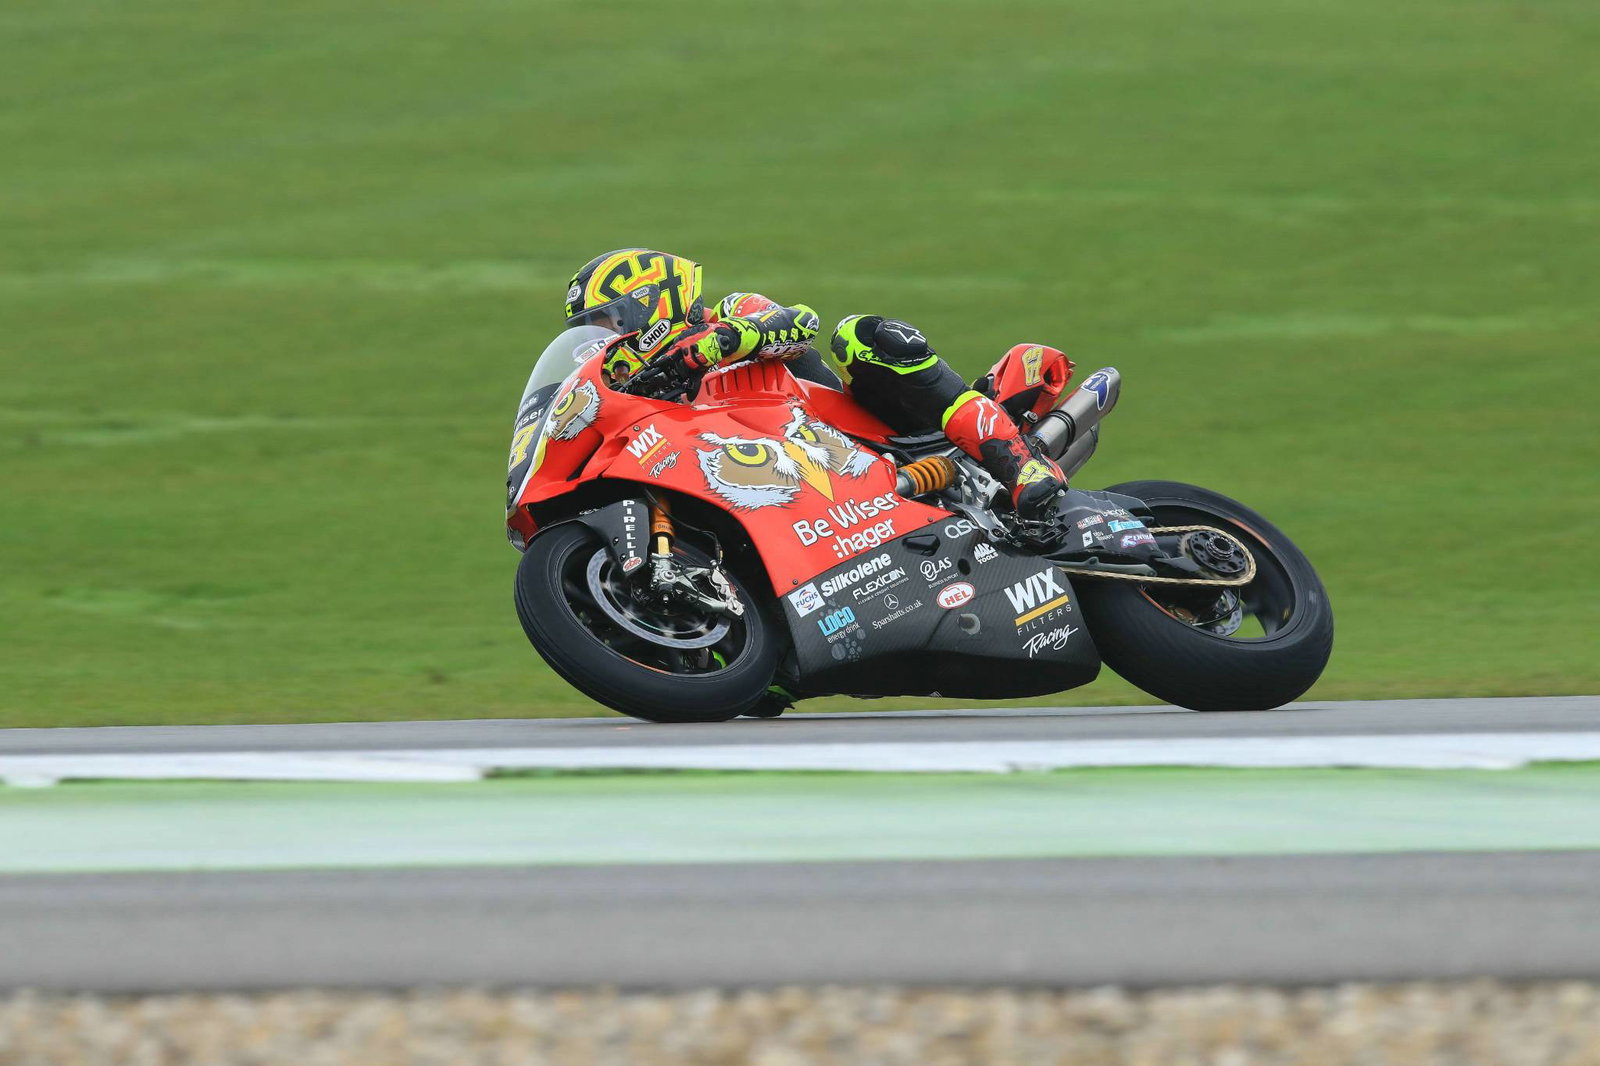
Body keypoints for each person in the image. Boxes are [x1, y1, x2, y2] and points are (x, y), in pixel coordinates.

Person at [562, 248, 1075, 547]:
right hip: (797, 492)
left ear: (654, 300)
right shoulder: (645, 394)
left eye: (609, 320)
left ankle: (1018, 462)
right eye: (593, 329)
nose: (605, 337)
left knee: (862, 335)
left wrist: (713, 346)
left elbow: (798, 323)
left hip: (863, 436)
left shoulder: (729, 312)